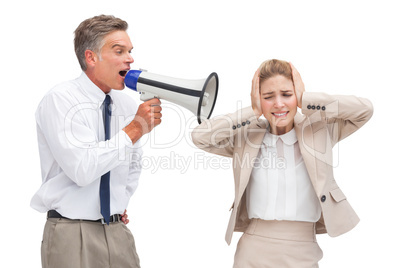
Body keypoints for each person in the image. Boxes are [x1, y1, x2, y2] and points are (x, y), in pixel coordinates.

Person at [191, 59, 373, 267]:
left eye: (287, 94)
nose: (278, 104)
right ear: (259, 99)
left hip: (303, 249)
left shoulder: (320, 130)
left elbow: (364, 110)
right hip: (252, 249)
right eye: (268, 97)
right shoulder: (246, 137)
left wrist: (307, 99)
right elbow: (200, 137)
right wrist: (252, 111)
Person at [31, 15, 162, 268]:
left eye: (130, 51)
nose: (130, 58)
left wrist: (118, 203)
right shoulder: (60, 100)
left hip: (116, 230)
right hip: (71, 232)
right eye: (119, 50)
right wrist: (135, 128)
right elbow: (83, 170)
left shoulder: (124, 103)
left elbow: (133, 164)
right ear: (91, 58)